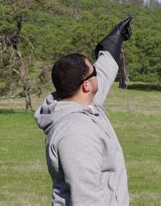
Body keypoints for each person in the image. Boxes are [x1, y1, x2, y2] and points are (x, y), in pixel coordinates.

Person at [34, 17, 132, 206]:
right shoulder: (75, 133)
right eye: (93, 70)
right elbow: (86, 197)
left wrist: (115, 40)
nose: (97, 72)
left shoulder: (79, 103)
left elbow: (101, 75)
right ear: (86, 85)